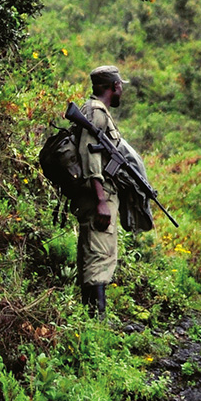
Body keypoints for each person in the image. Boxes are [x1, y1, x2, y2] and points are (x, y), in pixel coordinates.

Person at [74, 65, 130, 317]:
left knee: (97, 257)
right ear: (114, 86)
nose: (121, 92)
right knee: (98, 259)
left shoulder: (97, 112)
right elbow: (89, 154)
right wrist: (101, 200)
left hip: (101, 195)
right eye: (120, 87)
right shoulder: (95, 112)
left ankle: (92, 323)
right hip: (99, 195)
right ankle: (96, 324)